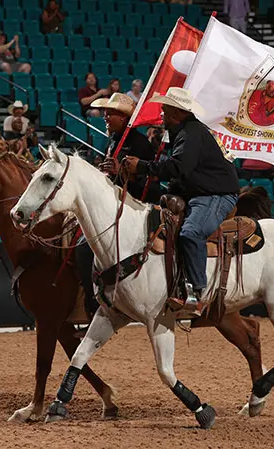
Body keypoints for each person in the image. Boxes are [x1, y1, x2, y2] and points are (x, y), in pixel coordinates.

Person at [122, 87, 240, 315]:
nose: (162, 115)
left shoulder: (191, 132)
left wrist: (143, 167)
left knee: (191, 233)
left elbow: (179, 167)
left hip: (216, 195)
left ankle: (198, 293)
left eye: (165, 110)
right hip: (199, 192)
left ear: (177, 112)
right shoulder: (184, 132)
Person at [75, 93, 163, 320]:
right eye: (106, 112)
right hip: (114, 207)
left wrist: (123, 174)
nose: (105, 116)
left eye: (111, 113)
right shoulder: (114, 140)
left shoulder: (140, 144)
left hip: (134, 210)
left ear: (124, 118)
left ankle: (94, 299)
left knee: (85, 247)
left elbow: (152, 186)